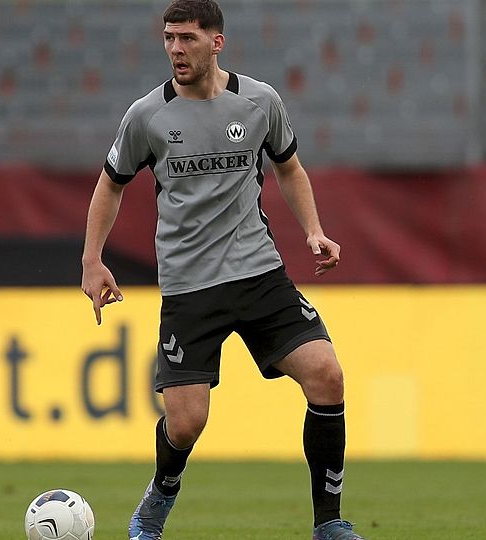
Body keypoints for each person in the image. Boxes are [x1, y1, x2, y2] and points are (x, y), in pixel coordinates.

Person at [80, 1, 364, 538]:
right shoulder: (147, 116)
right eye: (168, 38)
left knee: (327, 376)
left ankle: (329, 524)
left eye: (186, 38)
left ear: (217, 42)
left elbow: (290, 167)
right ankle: (158, 498)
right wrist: (92, 260)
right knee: (187, 424)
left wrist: (313, 230)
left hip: (259, 275)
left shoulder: (259, 102)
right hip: (190, 289)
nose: (175, 50)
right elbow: (111, 183)